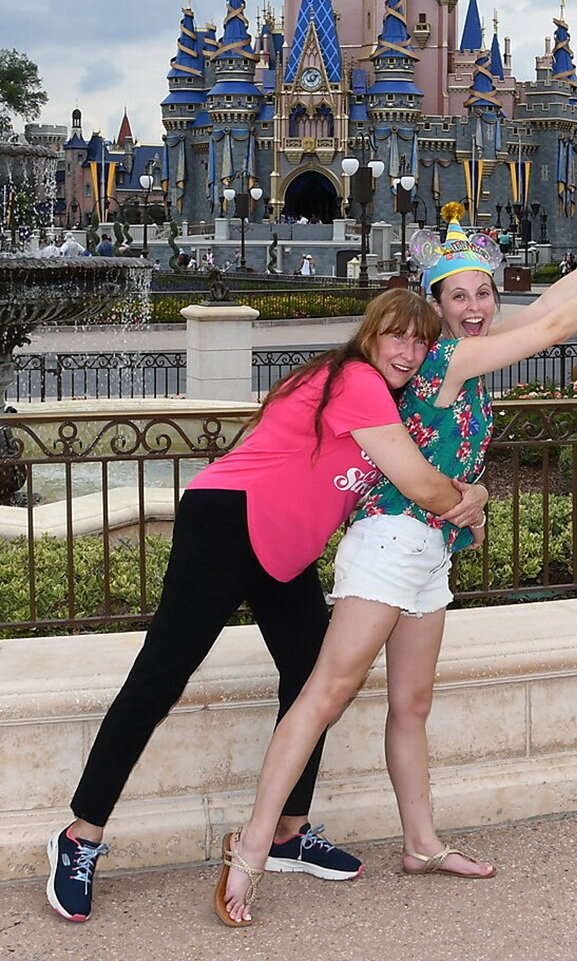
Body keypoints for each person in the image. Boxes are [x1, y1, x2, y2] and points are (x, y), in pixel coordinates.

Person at [217, 211, 577, 925]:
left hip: (430, 550)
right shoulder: (448, 358)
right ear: (438, 305)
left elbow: (546, 305)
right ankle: (251, 848)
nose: (477, 307)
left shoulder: (478, 352)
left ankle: (420, 843)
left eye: (485, 293)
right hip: (391, 539)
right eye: (460, 297)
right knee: (324, 693)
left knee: (411, 705)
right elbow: (550, 328)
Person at [45, 290, 488, 924]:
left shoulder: (385, 400)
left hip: (285, 549)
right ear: (370, 335)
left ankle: (287, 832)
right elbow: (420, 484)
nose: (409, 352)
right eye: (396, 336)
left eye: (421, 342)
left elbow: (406, 471)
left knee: (312, 678)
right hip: (227, 525)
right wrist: (467, 505)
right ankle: (79, 835)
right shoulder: (356, 378)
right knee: (162, 674)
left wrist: (472, 488)